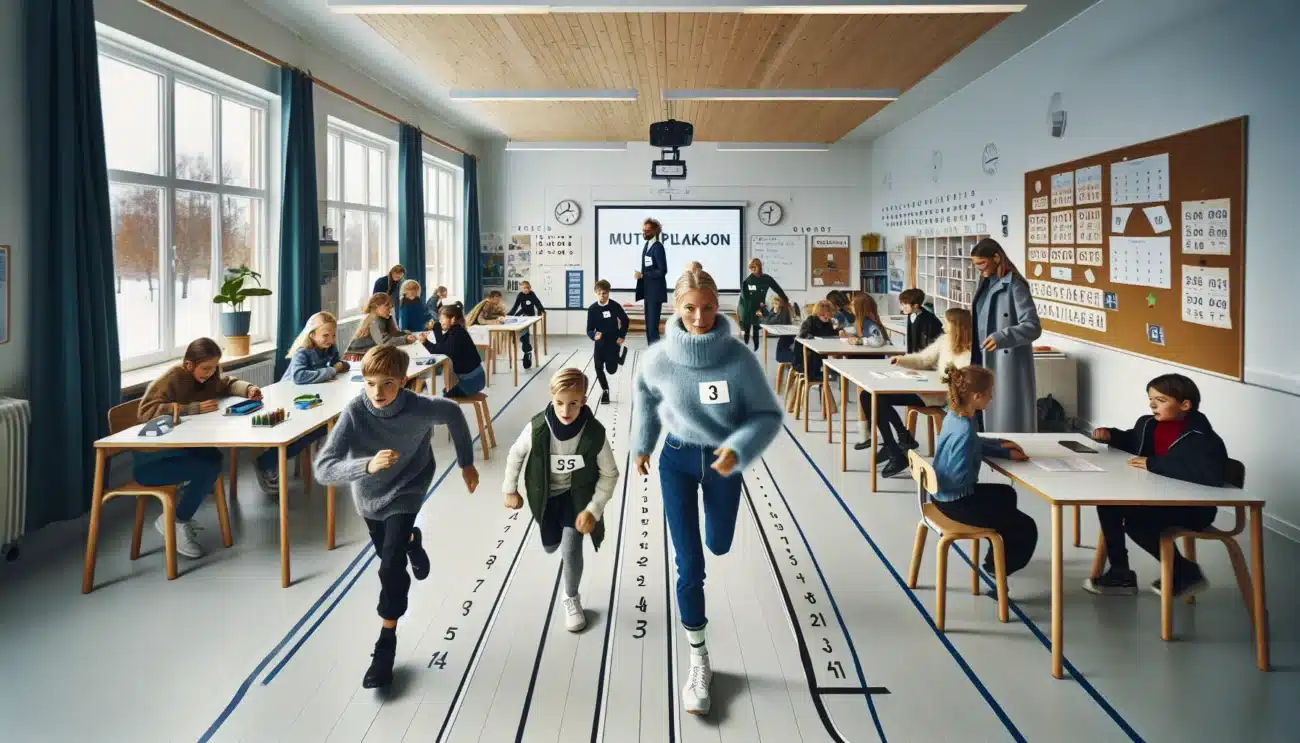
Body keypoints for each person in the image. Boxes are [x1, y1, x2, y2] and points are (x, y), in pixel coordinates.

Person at [633, 269, 783, 716]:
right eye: (690, 308)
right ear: (675, 308)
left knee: (718, 544)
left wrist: (738, 449)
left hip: (724, 466)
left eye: (708, 307)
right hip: (676, 462)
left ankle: (715, 544)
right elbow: (645, 397)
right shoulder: (658, 359)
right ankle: (699, 658)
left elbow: (766, 415)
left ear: (719, 306)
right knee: (690, 564)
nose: (699, 318)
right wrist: (642, 445)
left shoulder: (739, 359)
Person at [314, 344, 479, 689]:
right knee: (390, 551)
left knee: (390, 566)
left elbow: (453, 413)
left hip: (409, 487)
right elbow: (324, 468)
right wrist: (367, 465)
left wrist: (466, 463)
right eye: (371, 383)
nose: (378, 392)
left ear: (403, 381)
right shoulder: (355, 412)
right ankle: (412, 540)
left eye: (388, 383)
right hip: (370, 496)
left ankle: (385, 645)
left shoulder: (419, 407)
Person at [1084, 374, 1226, 598]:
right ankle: (1120, 574)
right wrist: (1111, 436)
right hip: (1157, 498)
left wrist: (1153, 464)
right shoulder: (1148, 424)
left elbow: (1211, 474)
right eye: (1150, 399)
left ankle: (1184, 571)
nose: (1152, 405)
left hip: (1193, 508)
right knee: (1108, 503)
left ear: (1185, 405)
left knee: (1137, 523)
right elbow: (1133, 441)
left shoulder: (1201, 436)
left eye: (1160, 400)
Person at [502, 368, 619, 632]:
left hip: (576, 498)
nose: (566, 411)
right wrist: (510, 489)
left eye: (574, 403)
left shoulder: (594, 434)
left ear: (584, 401)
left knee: (571, 548)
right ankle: (551, 536)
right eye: (560, 403)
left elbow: (610, 474)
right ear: (551, 398)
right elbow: (516, 454)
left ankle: (571, 597)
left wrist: (593, 509)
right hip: (545, 497)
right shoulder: (537, 428)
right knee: (551, 545)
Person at [135, 338, 262, 558]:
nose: (210, 373)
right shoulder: (173, 378)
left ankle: (179, 515)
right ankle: (175, 520)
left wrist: (249, 388)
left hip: (179, 449)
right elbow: (145, 411)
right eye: (205, 368)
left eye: (214, 368)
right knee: (207, 467)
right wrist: (190, 408)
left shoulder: (210, 377)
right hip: (153, 460)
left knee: (213, 457)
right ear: (188, 365)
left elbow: (227, 383)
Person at [930, 365, 1038, 577]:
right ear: (977, 396)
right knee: (1026, 527)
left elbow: (975, 443)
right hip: (956, 502)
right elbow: (959, 477)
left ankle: (997, 551)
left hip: (941, 496)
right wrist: (976, 457)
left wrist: (1002, 448)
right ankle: (998, 568)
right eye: (990, 393)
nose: (992, 397)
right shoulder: (964, 431)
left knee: (1007, 493)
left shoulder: (956, 416)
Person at [864, 309, 974, 478]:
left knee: (879, 398)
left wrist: (944, 379)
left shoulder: (970, 353)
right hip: (924, 389)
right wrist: (901, 360)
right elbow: (923, 359)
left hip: (938, 396)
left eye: (947, 323)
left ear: (957, 326)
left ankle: (899, 444)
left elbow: (962, 383)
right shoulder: (944, 340)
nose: (943, 326)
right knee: (867, 396)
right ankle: (896, 444)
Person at [254, 312, 348, 495]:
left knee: (327, 425)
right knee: (308, 432)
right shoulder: (303, 352)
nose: (331, 340)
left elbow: (339, 364)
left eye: (333, 335)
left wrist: (340, 366)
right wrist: (331, 371)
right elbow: (299, 376)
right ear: (312, 335)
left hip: (309, 400)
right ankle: (266, 462)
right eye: (325, 335)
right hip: (288, 401)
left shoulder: (329, 348)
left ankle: (325, 454)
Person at [969, 238, 1041, 432]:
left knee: (1005, 419)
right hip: (981, 355)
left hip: (1005, 360)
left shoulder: (1015, 285)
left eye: (982, 263)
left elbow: (1033, 326)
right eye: (975, 265)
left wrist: (1003, 336)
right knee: (981, 417)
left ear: (996, 258)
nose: (978, 269)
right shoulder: (985, 282)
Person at [423, 304, 486, 398]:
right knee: (446, 390)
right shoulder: (456, 330)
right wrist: (436, 327)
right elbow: (441, 343)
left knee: (445, 398)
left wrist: (425, 342)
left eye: (442, 319)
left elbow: (441, 350)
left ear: (452, 319)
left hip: (471, 383)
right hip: (477, 379)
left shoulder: (456, 333)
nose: (440, 321)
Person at [587, 279, 629, 404]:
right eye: (599, 293)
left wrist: (621, 335)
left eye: (604, 293)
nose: (602, 295)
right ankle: (605, 390)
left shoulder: (614, 306)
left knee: (611, 370)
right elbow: (589, 329)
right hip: (600, 342)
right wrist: (594, 335)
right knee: (598, 366)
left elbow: (625, 320)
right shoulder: (592, 309)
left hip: (613, 341)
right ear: (596, 293)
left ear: (608, 293)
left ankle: (619, 358)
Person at [737, 258, 791, 352]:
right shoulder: (747, 281)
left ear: (760, 267)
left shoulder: (767, 279)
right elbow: (745, 299)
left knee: (756, 327)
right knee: (747, 327)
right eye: (751, 268)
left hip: (759, 305)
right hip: (746, 306)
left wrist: (786, 300)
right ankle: (746, 343)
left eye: (755, 267)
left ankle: (756, 347)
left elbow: (777, 289)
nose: (753, 270)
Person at [345, 293, 417, 361]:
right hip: (357, 356)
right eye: (387, 305)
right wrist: (405, 339)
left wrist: (404, 334)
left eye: (391, 306)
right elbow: (384, 342)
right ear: (376, 306)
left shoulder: (383, 318)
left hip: (369, 354)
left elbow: (391, 334)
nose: (390, 308)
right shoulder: (374, 321)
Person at [634, 218, 668, 344]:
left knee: (653, 326)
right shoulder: (647, 245)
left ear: (655, 231)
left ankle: (655, 351)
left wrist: (644, 275)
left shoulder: (658, 247)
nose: (644, 233)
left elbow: (662, 270)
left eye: (647, 231)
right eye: (643, 230)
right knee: (649, 326)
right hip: (648, 291)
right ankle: (651, 350)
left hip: (655, 292)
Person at [791, 299, 838, 384]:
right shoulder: (811, 320)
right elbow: (803, 334)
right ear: (818, 313)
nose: (826, 316)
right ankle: (818, 376)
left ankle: (830, 376)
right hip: (804, 362)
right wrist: (812, 338)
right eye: (823, 313)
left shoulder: (830, 323)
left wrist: (839, 331)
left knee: (835, 362)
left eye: (829, 313)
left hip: (820, 358)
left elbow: (833, 336)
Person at [507, 280, 545, 370]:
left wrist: (541, 311)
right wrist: (509, 314)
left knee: (524, 329)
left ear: (529, 288)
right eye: (522, 288)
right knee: (514, 322)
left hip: (529, 314)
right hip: (522, 312)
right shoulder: (520, 295)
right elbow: (515, 306)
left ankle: (526, 348)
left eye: (525, 288)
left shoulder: (532, 294)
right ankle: (516, 337)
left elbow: (537, 303)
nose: (524, 290)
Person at [899, 288, 944, 353]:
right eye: (902, 304)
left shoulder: (930, 320)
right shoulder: (911, 313)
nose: (902, 308)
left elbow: (932, 344)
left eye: (905, 305)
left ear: (915, 305)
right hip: (914, 355)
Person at [765, 294, 799, 364]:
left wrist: (775, 314)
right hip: (784, 335)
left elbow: (781, 323)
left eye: (776, 303)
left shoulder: (784, 310)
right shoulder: (774, 309)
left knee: (781, 351)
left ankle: (793, 360)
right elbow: (767, 321)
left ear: (781, 304)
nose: (774, 305)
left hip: (789, 334)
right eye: (773, 303)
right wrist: (774, 313)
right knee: (781, 350)